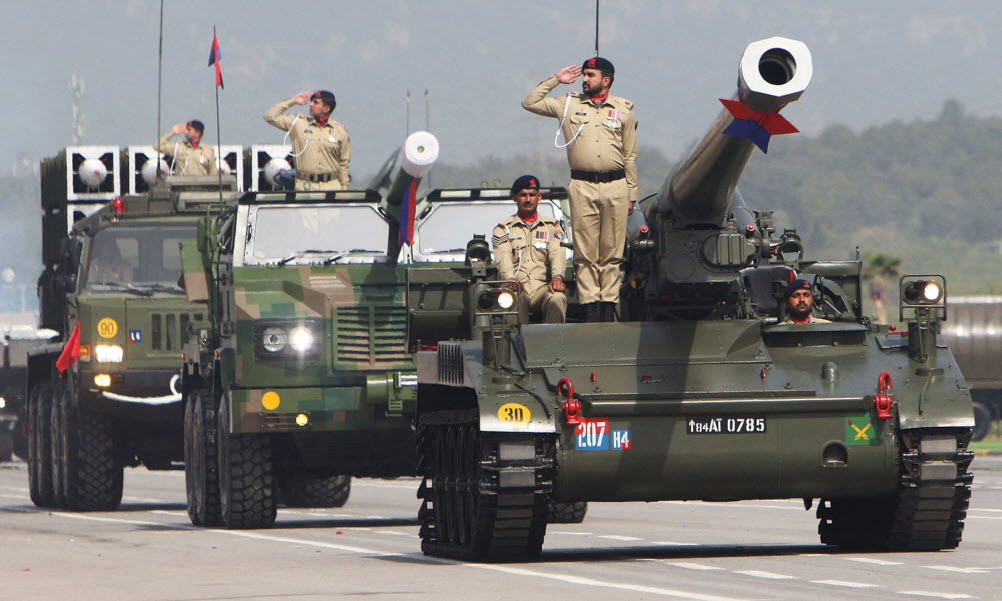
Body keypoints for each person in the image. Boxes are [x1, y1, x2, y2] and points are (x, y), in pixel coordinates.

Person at [522, 57, 637, 322]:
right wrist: (555, 79)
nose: (584, 79)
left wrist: (632, 194)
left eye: (590, 75)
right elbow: (530, 102)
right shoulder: (569, 105)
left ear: (606, 80)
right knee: (585, 252)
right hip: (582, 185)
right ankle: (590, 308)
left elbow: (630, 156)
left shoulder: (623, 110)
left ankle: (607, 307)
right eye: (583, 75)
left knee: (611, 251)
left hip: (616, 185)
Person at [492, 175, 567, 323]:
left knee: (558, 298)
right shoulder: (503, 228)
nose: (528, 199)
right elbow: (503, 255)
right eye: (523, 195)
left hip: (542, 287)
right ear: (515, 197)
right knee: (511, 299)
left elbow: (557, 253)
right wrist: (509, 279)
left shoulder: (552, 226)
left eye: (532, 195)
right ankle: (515, 344)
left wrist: (557, 277)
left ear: (539, 197)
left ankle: (554, 343)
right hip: (516, 287)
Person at [264, 90, 350, 191]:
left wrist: (344, 190)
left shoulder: (339, 131)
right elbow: (270, 116)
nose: (311, 104)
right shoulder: (298, 124)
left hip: (331, 186)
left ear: (326, 108)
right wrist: (293, 101)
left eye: (316, 102)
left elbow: (344, 163)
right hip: (305, 186)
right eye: (311, 101)